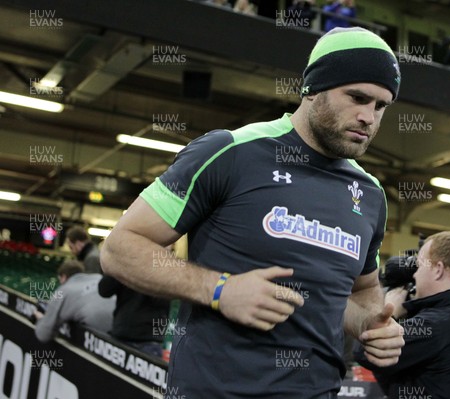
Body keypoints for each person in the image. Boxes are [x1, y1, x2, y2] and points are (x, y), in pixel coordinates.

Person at [101, 27, 403, 398]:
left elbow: (361, 290)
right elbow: (119, 247)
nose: (369, 118)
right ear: (314, 88)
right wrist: (219, 289)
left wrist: (372, 324)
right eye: (357, 97)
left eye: (381, 106)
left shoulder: (370, 195)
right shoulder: (230, 152)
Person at [356, 231, 450, 399]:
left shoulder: (435, 325)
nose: (414, 274)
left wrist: (388, 313)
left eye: (420, 266)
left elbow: (364, 350)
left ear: (438, 270)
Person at [34, 260, 115, 343]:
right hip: (119, 333)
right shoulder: (99, 278)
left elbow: (43, 335)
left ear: (63, 277)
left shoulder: (64, 290)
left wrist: (40, 319)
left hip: (98, 340)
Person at [98, 274, 170, 358]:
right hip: (121, 334)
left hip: (149, 339)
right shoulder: (127, 263)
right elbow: (104, 290)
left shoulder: (165, 265)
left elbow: (162, 299)